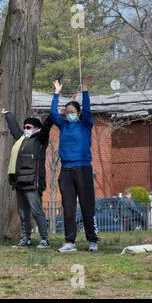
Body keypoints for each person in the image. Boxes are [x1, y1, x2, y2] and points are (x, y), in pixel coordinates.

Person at [50, 76, 99, 253]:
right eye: (67, 111)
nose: (68, 113)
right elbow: (53, 114)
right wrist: (56, 93)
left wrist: (85, 89)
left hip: (83, 168)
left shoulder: (85, 124)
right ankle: (69, 242)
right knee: (68, 208)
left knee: (87, 206)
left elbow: (87, 109)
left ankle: (92, 240)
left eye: (72, 111)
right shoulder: (63, 126)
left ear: (77, 112)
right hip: (66, 170)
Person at [2, 109, 54, 249]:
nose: (25, 129)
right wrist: (8, 115)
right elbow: (14, 129)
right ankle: (26, 238)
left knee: (36, 211)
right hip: (19, 181)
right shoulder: (22, 139)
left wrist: (53, 114)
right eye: (25, 127)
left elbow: (47, 126)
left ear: (37, 128)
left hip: (33, 181)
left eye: (29, 127)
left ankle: (44, 239)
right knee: (23, 212)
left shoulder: (40, 139)